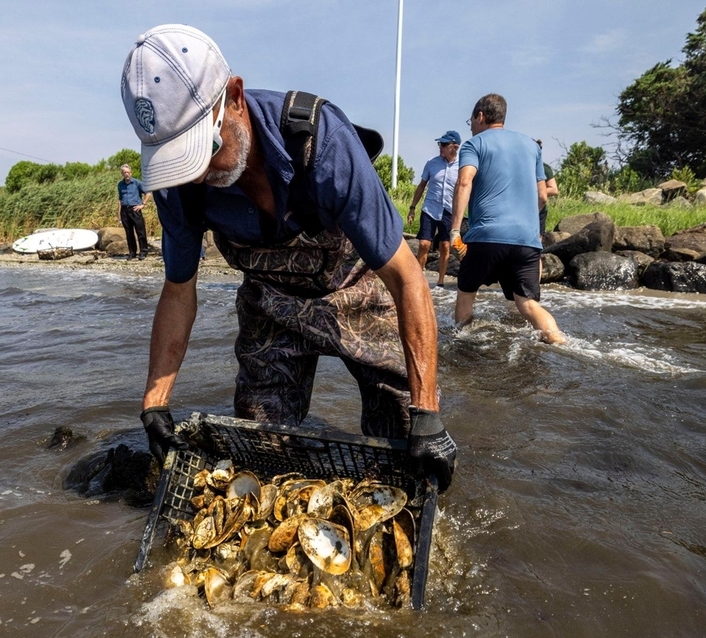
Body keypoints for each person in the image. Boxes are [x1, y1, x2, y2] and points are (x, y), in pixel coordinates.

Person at [123, 24, 456, 492]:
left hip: (358, 286)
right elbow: (179, 290)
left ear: (235, 97)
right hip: (271, 304)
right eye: (181, 160)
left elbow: (406, 277)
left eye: (205, 150)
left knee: (408, 436)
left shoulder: (321, 141)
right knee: (261, 459)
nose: (197, 173)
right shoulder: (180, 188)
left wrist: (427, 411)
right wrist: (155, 402)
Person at [450, 94, 565, 344]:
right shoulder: (531, 146)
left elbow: (464, 182)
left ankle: (461, 349)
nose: (470, 125)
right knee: (528, 305)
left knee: (466, 297)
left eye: (470, 120)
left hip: (486, 236)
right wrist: (525, 224)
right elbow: (543, 196)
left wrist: (455, 232)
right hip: (527, 239)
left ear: (480, 116)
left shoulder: (474, 144)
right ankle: (560, 342)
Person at [407, 131, 460, 289]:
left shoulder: (462, 166)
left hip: (449, 211)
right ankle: (418, 279)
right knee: (424, 244)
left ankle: (440, 282)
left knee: (445, 246)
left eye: (444, 144)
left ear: (454, 147)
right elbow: (421, 186)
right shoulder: (431, 163)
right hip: (430, 209)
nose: (440, 147)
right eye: (440, 144)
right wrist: (412, 208)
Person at [117, 164, 152, 259]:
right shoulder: (120, 184)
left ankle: (143, 252)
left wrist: (143, 204)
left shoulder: (137, 183)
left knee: (140, 231)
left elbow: (148, 193)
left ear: (131, 173)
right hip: (125, 210)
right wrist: (119, 214)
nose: (127, 174)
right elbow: (120, 200)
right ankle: (132, 252)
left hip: (135, 209)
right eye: (125, 172)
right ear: (122, 174)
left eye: (128, 172)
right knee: (129, 233)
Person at [534, 139, 559, 240]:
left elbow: (553, 189)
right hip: (521, 208)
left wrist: (536, 191)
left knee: (538, 238)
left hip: (539, 208)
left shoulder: (544, 168)